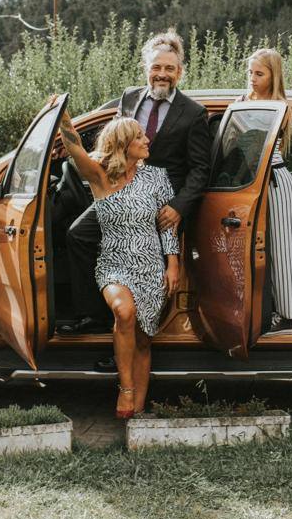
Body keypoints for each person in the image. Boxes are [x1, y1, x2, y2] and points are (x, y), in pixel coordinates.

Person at [66, 29, 212, 333]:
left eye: (169, 68)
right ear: (146, 69)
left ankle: (136, 332)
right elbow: (114, 143)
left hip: (161, 202)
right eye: (156, 67)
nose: (162, 74)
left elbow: (200, 169)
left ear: (179, 72)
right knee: (78, 235)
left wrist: (178, 207)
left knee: (141, 262)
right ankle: (95, 316)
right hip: (121, 191)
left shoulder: (194, 113)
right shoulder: (129, 98)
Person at [55, 104, 180, 418]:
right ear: (125, 144)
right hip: (113, 264)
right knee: (124, 312)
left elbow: (168, 224)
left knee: (143, 339)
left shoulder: (156, 177)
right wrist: (62, 116)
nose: (147, 140)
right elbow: (75, 148)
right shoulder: (101, 177)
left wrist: (173, 263)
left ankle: (136, 413)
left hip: (152, 268)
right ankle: (125, 389)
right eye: (140, 137)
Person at [244, 48, 292, 329]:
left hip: (277, 182)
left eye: (259, 73)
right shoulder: (243, 100)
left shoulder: (279, 106)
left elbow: (255, 145)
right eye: (250, 72)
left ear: (273, 75)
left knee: (282, 251)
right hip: (254, 184)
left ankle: (291, 314)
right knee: (258, 251)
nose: (253, 78)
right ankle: (265, 309)